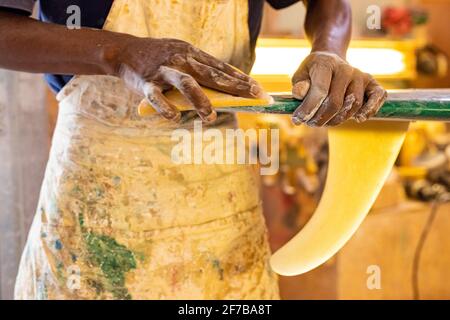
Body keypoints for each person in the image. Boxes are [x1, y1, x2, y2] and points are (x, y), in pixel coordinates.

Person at [0, 0, 386, 300]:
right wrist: (118, 53)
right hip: (99, 182)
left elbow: (329, 4)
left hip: (221, 195)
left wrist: (330, 50)